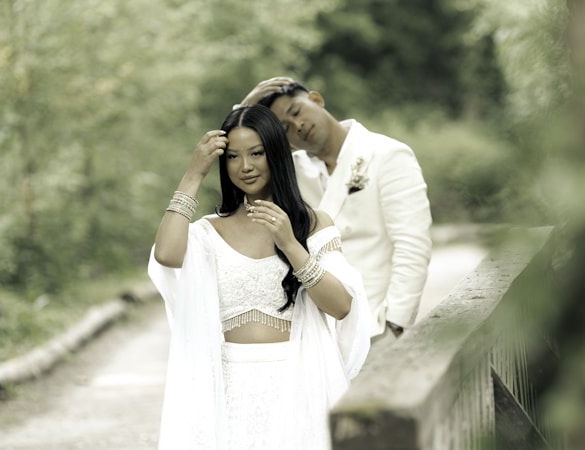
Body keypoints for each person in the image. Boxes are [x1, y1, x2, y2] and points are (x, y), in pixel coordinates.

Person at [147, 104, 371, 450]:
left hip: (298, 381)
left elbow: (341, 306)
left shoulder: (312, 224)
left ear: (276, 155)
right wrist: (193, 174)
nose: (246, 166)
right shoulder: (209, 233)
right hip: (229, 388)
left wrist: (290, 244)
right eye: (233, 157)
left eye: (256, 153)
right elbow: (167, 254)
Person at [239, 77, 433, 347]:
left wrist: (397, 325)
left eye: (297, 112)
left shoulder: (387, 154)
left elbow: (412, 245)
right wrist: (245, 109)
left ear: (316, 100)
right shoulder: (288, 173)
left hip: (374, 327)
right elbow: (237, 167)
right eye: (284, 129)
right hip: (315, 333)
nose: (298, 126)